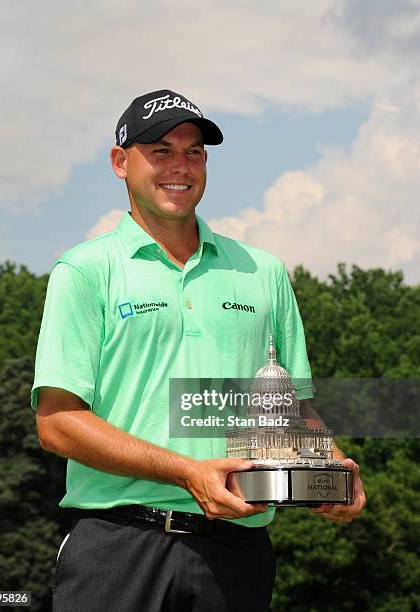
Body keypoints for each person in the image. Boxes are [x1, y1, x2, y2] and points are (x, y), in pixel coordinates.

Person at [32, 89, 366, 611]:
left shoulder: (263, 272)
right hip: (119, 545)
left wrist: (332, 466)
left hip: (238, 546)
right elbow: (57, 423)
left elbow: (291, 410)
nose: (180, 167)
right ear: (120, 163)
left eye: (194, 152)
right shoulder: (84, 271)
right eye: (160, 151)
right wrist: (187, 472)